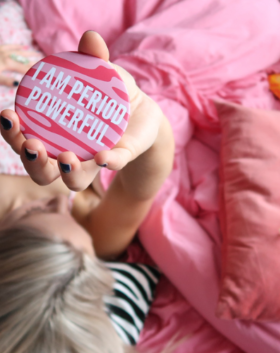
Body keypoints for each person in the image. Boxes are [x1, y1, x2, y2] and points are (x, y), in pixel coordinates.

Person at [0, 30, 175, 353]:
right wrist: (144, 119)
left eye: (38, 210)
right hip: (49, 65)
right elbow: (142, 187)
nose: (59, 201)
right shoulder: (98, 237)